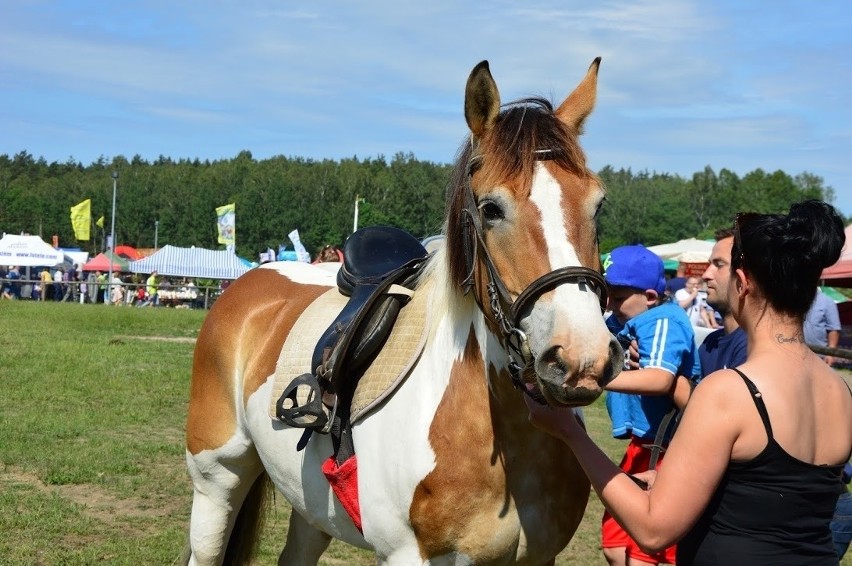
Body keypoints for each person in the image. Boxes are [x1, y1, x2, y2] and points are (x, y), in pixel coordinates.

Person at [527, 200, 852, 565]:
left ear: (742, 284)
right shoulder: (839, 389)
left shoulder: (729, 392)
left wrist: (571, 433)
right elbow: (776, 495)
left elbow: (653, 530)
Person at [600, 244, 701, 565]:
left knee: (648, 554)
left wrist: (591, 379)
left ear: (650, 297)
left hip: (669, 452)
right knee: (615, 546)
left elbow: (659, 380)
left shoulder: (662, 321)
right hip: (643, 446)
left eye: (617, 297)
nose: (609, 305)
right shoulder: (635, 315)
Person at [804, 288, 842, 366]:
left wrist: (830, 353)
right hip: (793, 354)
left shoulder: (827, 301)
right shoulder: (793, 301)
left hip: (819, 356)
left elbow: (833, 329)